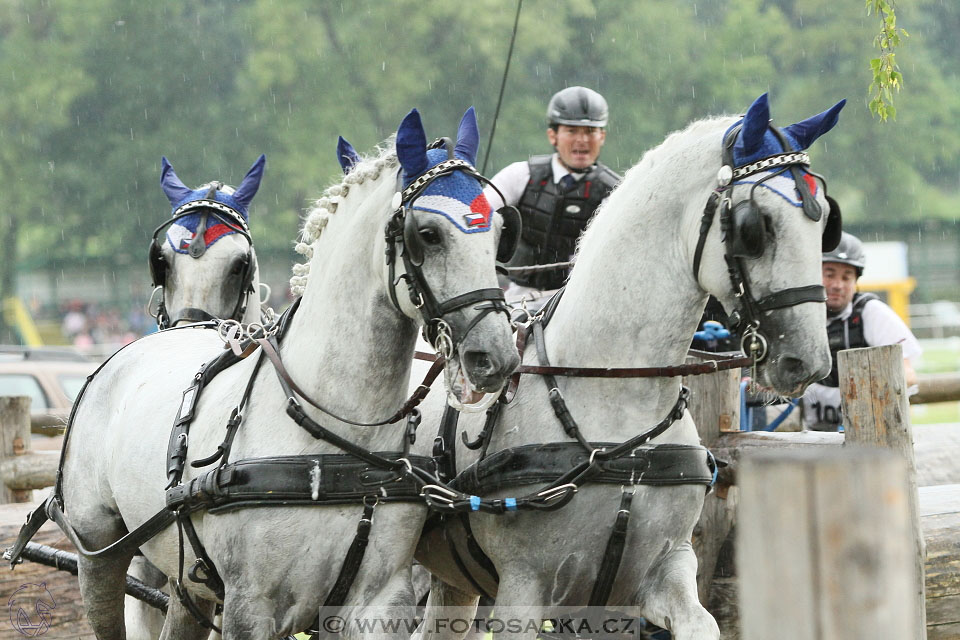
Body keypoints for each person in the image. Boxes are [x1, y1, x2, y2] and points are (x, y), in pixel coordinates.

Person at [484, 86, 621, 310]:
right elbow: (477, 215)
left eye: (590, 132)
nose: (582, 140)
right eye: (572, 131)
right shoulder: (519, 175)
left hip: (578, 305)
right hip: (516, 299)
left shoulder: (615, 193)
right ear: (553, 135)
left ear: (602, 136)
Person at [801, 231, 921, 431]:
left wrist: (869, 392)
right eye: (829, 275)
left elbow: (907, 374)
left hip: (868, 433)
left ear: (855, 282)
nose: (838, 285)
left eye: (847, 277)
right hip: (807, 434)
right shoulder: (796, 315)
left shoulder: (871, 311)